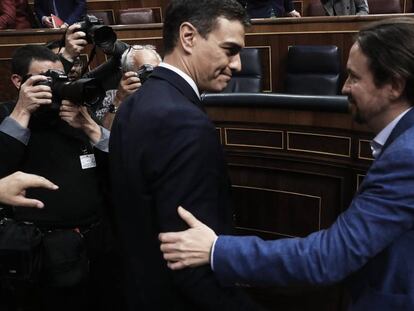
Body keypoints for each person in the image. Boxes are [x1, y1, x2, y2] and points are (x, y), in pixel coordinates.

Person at [159, 17, 414, 310]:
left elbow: (329, 257)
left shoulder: (407, 156)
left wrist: (216, 250)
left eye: (354, 78)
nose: (344, 88)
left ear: (394, 85)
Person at [109, 0, 264, 310]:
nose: (238, 66)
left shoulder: (136, 102)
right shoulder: (183, 121)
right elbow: (187, 256)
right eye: (230, 50)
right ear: (189, 37)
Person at [0, 45, 119, 311]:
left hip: (94, 246)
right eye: (45, 78)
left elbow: (120, 167)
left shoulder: (73, 115)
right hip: (39, 254)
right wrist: (22, 112)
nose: (54, 86)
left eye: (59, 77)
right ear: (18, 81)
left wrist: (89, 126)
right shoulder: (6, 114)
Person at [95, 44, 161, 129]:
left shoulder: (169, 92)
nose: (153, 76)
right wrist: (118, 100)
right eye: (146, 71)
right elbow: (104, 136)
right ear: (126, 73)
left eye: (157, 70)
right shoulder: (111, 97)